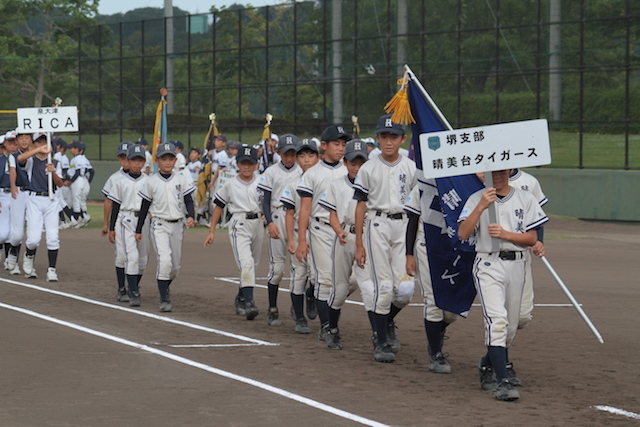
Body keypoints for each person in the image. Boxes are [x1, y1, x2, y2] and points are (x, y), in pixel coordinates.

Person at [458, 169, 548, 401]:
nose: (496, 177)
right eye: (491, 173)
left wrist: (506, 234)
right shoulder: (477, 197)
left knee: (511, 327)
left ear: (509, 170)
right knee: (497, 322)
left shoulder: (525, 198)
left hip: (517, 264)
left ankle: (487, 363)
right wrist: (480, 207)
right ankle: (503, 381)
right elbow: (462, 233)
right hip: (488, 263)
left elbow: (532, 238)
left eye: (500, 172)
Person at [353, 114, 417, 363]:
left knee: (406, 290)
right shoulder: (369, 167)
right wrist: (359, 243)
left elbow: (416, 206)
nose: (389, 141)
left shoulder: (410, 167)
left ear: (403, 138)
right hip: (377, 223)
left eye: (394, 137)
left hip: (404, 225)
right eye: (384, 136)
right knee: (384, 286)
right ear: (377, 139)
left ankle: (386, 322)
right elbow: (360, 205)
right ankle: (380, 341)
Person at [318, 139, 375, 350]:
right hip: (344, 236)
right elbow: (332, 214)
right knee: (340, 289)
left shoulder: (372, 183)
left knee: (369, 288)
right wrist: (338, 231)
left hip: (367, 237)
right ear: (345, 162)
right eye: (353, 162)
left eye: (361, 162)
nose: (357, 167)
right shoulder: (336, 184)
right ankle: (331, 329)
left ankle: (379, 335)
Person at [296, 125, 348, 340]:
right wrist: (301, 240)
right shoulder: (313, 174)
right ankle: (327, 326)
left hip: (345, 232)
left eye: (343, 144)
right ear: (324, 146)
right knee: (326, 281)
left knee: (349, 281)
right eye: (336, 143)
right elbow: (305, 208)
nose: (341, 148)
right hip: (320, 229)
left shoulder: (349, 169)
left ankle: (312, 294)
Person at [204, 146, 263, 321]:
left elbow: (267, 202)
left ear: (256, 164)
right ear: (237, 164)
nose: (246, 167)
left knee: (254, 264)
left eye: (250, 163)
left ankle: (241, 297)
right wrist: (212, 230)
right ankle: (250, 303)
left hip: (258, 223)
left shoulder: (262, 180)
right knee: (247, 263)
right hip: (239, 223)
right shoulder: (231, 184)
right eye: (243, 163)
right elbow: (219, 206)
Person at [135, 142, 196, 311]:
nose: (168, 162)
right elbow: (144, 207)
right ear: (156, 161)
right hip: (159, 224)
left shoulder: (181, 179)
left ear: (176, 160)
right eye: (164, 159)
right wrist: (139, 229)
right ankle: (164, 298)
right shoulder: (151, 182)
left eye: (171, 159)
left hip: (177, 225)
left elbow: (188, 200)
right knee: (165, 261)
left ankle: (164, 285)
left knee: (175, 267)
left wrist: (191, 216)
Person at [404, 184, 459, 373]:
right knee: (433, 302)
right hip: (427, 246)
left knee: (453, 310)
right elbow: (412, 220)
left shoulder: (462, 183)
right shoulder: (423, 184)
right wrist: (408, 254)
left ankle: (436, 331)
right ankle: (436, 354)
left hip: (455, 250)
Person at [258, 133, 302, 326]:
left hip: (298, 219)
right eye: (286, 153)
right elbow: (265, 200)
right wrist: (270, 222)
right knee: (277, 269)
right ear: (278, 152)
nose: (290, 157)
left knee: (299, 268)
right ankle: (272, 308)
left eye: (293, 153)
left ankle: (298, 307)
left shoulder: (303, 171)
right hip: (278, 215)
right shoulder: (271, 171)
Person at [281, 138, 320, 334]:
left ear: (318, 157)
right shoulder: (292, 183)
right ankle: (299, 317)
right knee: (298, 276)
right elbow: (289, 213)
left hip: (320, 233)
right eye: (302, 156)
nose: (307, 160)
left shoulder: (324, 179)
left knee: (317, 277)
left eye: (311, 155)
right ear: (296, 159)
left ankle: (311, 295)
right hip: (298, 233)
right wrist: (290, 239)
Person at [17, 133, 66, 281]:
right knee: (33, 239)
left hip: (51, 199)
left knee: (52, 237)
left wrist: (53, 172)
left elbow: (60, 183)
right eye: (38, 142)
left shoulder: (56, 162)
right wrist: (38, 150)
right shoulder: (31, 160)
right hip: (34, 199)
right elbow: (20, 159)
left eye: (45, 141)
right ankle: (29, 256)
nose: (42, 144)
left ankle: (52, 269)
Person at [108, 144, 150, 307]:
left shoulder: (149, 181)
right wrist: (111, 227)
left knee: (143, 260)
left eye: (140, 160)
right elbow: (115, 206)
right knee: (126, 256)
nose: (137, 163)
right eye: (134, 160)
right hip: (124, 219)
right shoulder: (119, 181)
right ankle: (130, 291)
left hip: (143, 220)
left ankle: (132, 285)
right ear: (128, 160)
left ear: (144, 162)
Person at [101, 141, 132, 301]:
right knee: (121, 255)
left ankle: (133, 286)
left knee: (139, 258)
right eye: (122, 157)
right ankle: (122, 288)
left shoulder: (145, 178)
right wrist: (107, 224)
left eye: (128, 156)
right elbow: (108, 202)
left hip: (138, 221)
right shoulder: (115, 178)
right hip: (120, 219)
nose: (125, 160)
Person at [5, 130, 33, 276]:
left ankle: (29, 262)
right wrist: (13, 185)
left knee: (33, 232)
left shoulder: (37, 154)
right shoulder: (14, 156)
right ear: (16, 141)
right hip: (19, 193)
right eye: (20, 138)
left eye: (26, 137)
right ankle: (13, 252)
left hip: (34, 194)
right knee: (17, 234)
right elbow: (14, 170)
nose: (23, 140)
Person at [67, 140, 94, 227]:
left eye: (72, 148)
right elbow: (91, 171)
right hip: (83, 179)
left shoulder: (76, 159)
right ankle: (83, 218)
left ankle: (79, 219)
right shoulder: (84, 159)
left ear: (79, 150)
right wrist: (88, 182)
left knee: (76, 200)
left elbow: (78, 172)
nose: (70, 149)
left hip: (77, 180)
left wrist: (70, 181)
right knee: (80, 200)